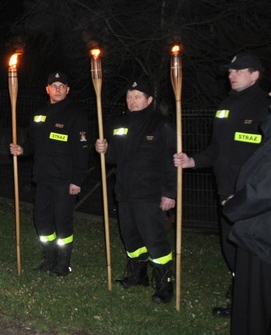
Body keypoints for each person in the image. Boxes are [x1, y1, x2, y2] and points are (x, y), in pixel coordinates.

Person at [174, 51, 270, 317]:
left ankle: (253, 304)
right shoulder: (225, 106)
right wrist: (192, 161)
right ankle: (241, 298)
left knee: (254, 252)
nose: (231, 74)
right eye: (230, 70)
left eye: (238, 70)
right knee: (230, 248)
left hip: (254, 196)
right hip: (226, 189)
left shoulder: (264, 107)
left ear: (255, 75)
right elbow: (216, 149)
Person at [94, 78, 177, 303]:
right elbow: (113, 158)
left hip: (150, 194)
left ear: (149, 100)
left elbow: (172, 161)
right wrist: (103, 149)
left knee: (154, 239)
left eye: (138, 97)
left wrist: (170, 192)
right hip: (125, 192)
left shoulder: (161, 125)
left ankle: (164, 284)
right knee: (130, 237)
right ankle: (137, 275)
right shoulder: (119, 124)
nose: (132, 101)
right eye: (130, 97)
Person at [9, 71, 89, 276]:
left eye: (62, 86)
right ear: (48, 90)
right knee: (41, 221)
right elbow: (32, 144)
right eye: (54, 86)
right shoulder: (38, 115)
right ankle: (50, 257)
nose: (58, 90)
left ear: (68, 90)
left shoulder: (75, 115)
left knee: (62, 223)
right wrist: (22, 150)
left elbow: (82, 151)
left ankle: (63, 263)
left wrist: (77, 180)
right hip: (43, 179)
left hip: (64, 181)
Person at [223, 103, 271, 335]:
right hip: (257, 230)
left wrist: (234, 205)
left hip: (262, 236)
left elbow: (264, 189)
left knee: (255, 309)